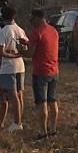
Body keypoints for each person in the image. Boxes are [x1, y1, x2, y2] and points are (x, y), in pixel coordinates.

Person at [24, 9, 59, 140]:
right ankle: (53, 128)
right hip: (54, 70)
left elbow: (30, 53)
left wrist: (20, 50)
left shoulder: (36, 32)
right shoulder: (53, 31)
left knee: (41, 103)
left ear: (38, 18)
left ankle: (43, 131)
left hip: (40, 72)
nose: (31, 22)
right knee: (52, 100)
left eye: (32, 19)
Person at [0, 5, 29, 133]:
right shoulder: (20, 30)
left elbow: (1, 52)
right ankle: (19, 119)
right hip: (20, 65)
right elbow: (26, 45)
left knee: (13, 95)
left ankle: (17, 122)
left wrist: (12, 54)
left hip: (8, 66)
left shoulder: (3, 31)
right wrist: (19, 53)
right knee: (20, 94)